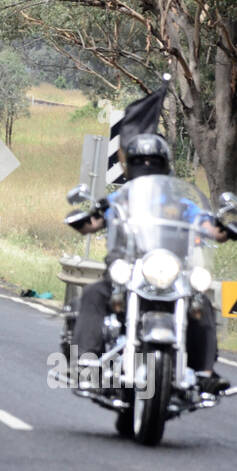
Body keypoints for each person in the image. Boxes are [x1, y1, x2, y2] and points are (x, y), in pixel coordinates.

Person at [70, 134, 232, 393]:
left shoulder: (182, 205)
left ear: (164, 166)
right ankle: (86, 365)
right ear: (130, 166)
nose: (147, 166)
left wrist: (224, 228)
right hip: (127, 272)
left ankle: (205, 373)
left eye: (153, 161)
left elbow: (207, 226)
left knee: (201, 304)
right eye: (140, 161)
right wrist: (83, 218)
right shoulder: (119, 201)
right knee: (93, 295)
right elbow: (94, 223)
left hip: (172, 275)